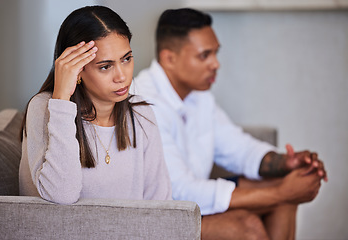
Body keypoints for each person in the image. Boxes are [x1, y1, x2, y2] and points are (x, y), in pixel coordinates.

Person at [132, 8, 328, 240]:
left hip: (192, 202)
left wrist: (287, 162)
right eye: (204, 55)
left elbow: (238, 148)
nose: (216, 64)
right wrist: (280, 192)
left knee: (285, 196)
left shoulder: (199, 95)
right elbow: (181, 192)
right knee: (247, 226)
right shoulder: (144, 103)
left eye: (215, 53)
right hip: (162, 213)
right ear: (169, 58)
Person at [19, 6, 172, 204]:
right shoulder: (46, 108)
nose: (122, 76)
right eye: (105, 66)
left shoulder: (141, 114)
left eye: (126, 59)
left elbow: (162, 204)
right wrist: (62, 98)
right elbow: (61, 195)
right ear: (76, 69)